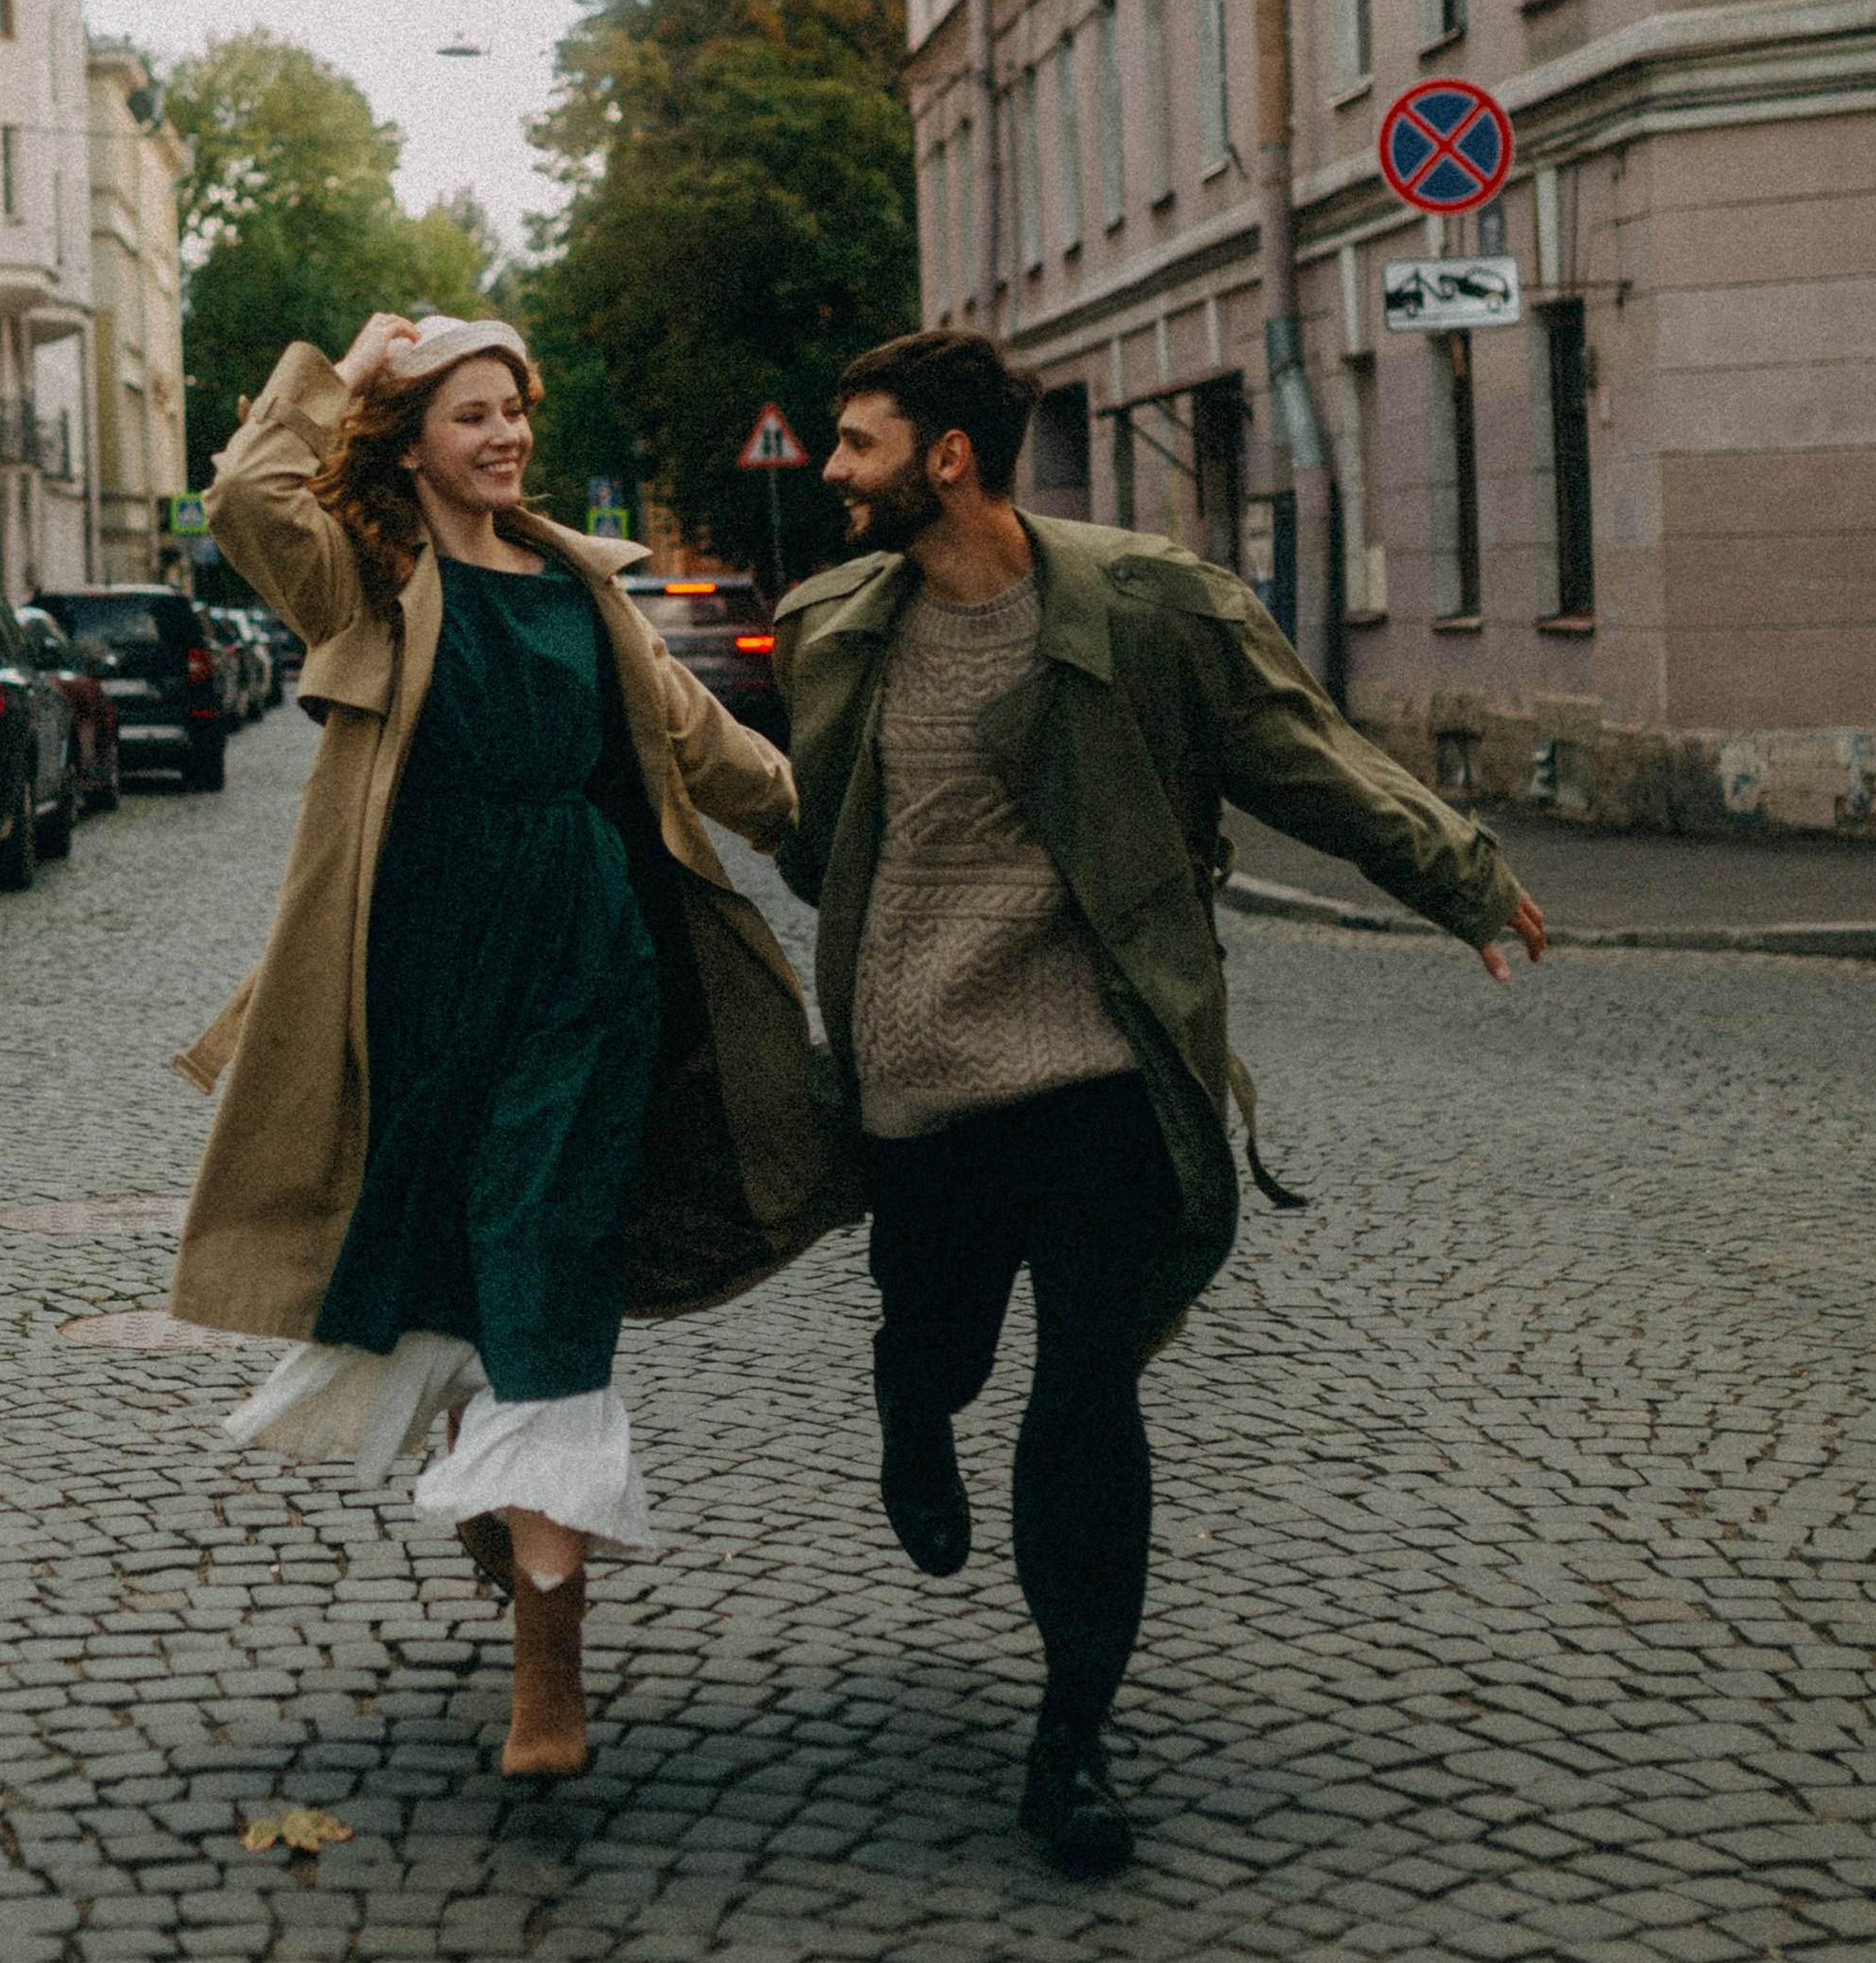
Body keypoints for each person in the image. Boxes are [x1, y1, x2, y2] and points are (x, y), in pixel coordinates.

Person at [772, 328, 1547, 1876]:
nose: (830, 471)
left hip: (1103, 1070)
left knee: (1085, 1389)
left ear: (945, 456)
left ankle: (1073, 1730)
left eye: (856, 443)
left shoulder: (1150, 607)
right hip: (923, 1072)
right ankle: (908, 1399)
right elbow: (806, 832)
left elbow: (1301, 756)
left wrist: (1458, 874)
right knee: (944, 1336)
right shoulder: (835, 626)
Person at [164, 313, 853, 1779]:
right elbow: (242, 499)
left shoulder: (579, 589)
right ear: (411, 439)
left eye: (514, 413)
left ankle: (553, 1683)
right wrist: (345, 367)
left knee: (543, 1274)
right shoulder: (372, 581)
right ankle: (499, 1495)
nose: (504, 437)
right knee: (440, 1265)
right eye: (471, 415)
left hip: (587, 980)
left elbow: (705, 745)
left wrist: (841, 828)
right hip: (417, 986)